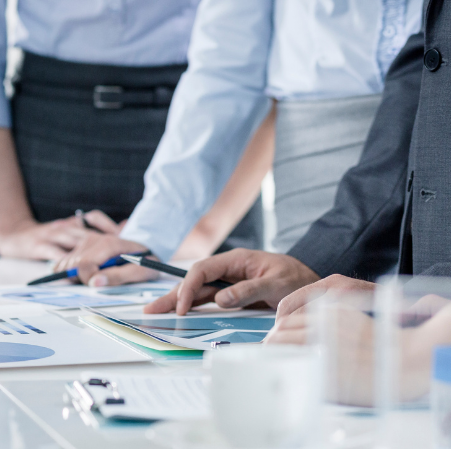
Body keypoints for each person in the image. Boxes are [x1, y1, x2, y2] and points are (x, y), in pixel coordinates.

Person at [55, 0, 422, 287]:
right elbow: (223, 71)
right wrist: (150, 233)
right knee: (306, 340)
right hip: (314, 160)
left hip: (438, 144)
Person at [0, 0, 269, 263]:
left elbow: (271, 61)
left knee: (217, 336)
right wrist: (11, 226)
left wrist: (205, 230)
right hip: (46, 138)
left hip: (213, 135)